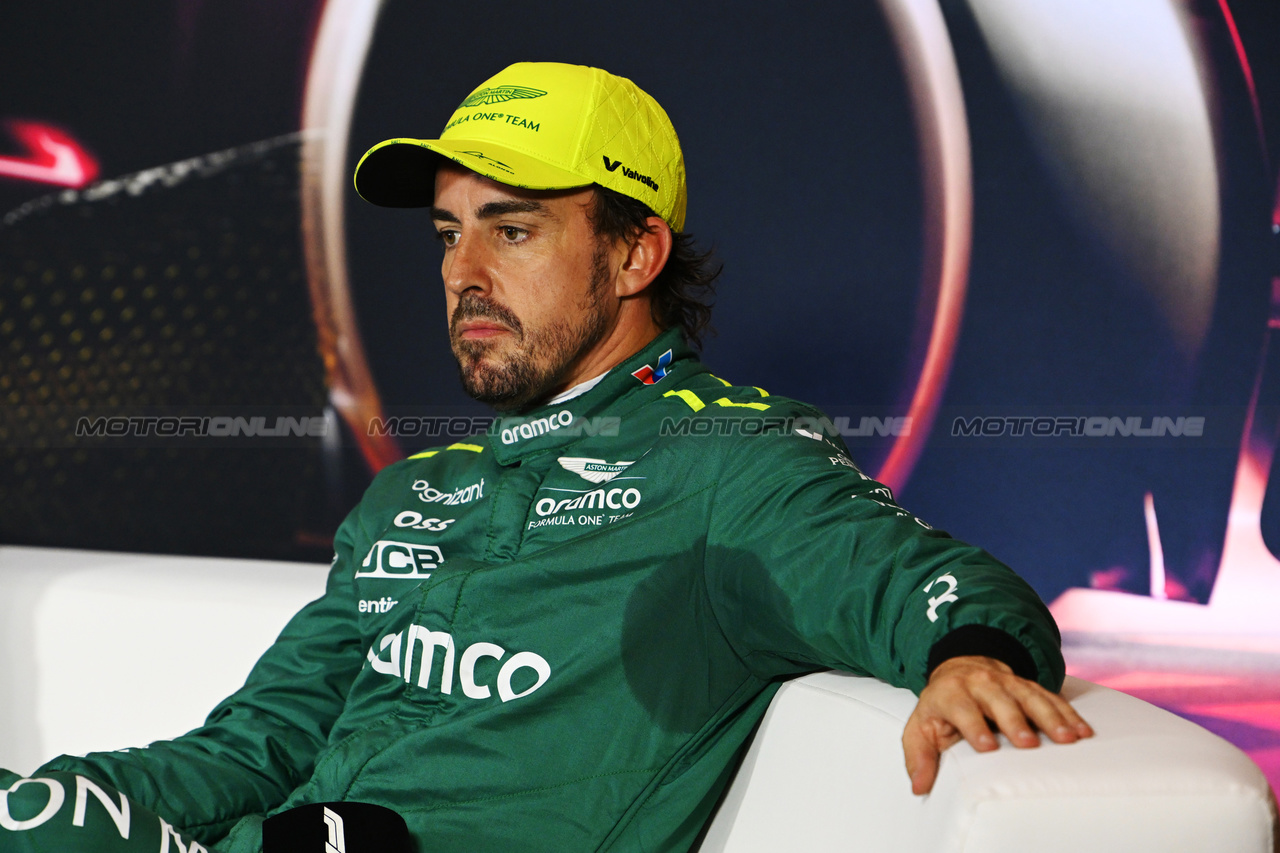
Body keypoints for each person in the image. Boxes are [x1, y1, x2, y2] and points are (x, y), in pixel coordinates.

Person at [2, 61, 1090, 853]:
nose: (462, 271)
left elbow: (925, 580)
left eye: (510, 230)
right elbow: (255, 746)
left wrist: (965, 654)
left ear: (632, 253)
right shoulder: (414, 493)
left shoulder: (725, 461)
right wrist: (54, 803)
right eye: (446, 233)